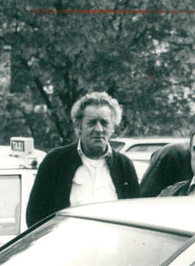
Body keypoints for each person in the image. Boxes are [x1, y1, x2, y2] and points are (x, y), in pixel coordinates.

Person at [25, 92, 139, 226]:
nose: (99, 129)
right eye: (91, 123)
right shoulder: (56, 162)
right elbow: (35, 217)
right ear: (78, 126)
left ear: (113, 127)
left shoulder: (124, 166)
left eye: (104, 123)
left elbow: (135, 216)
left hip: (111, 246)